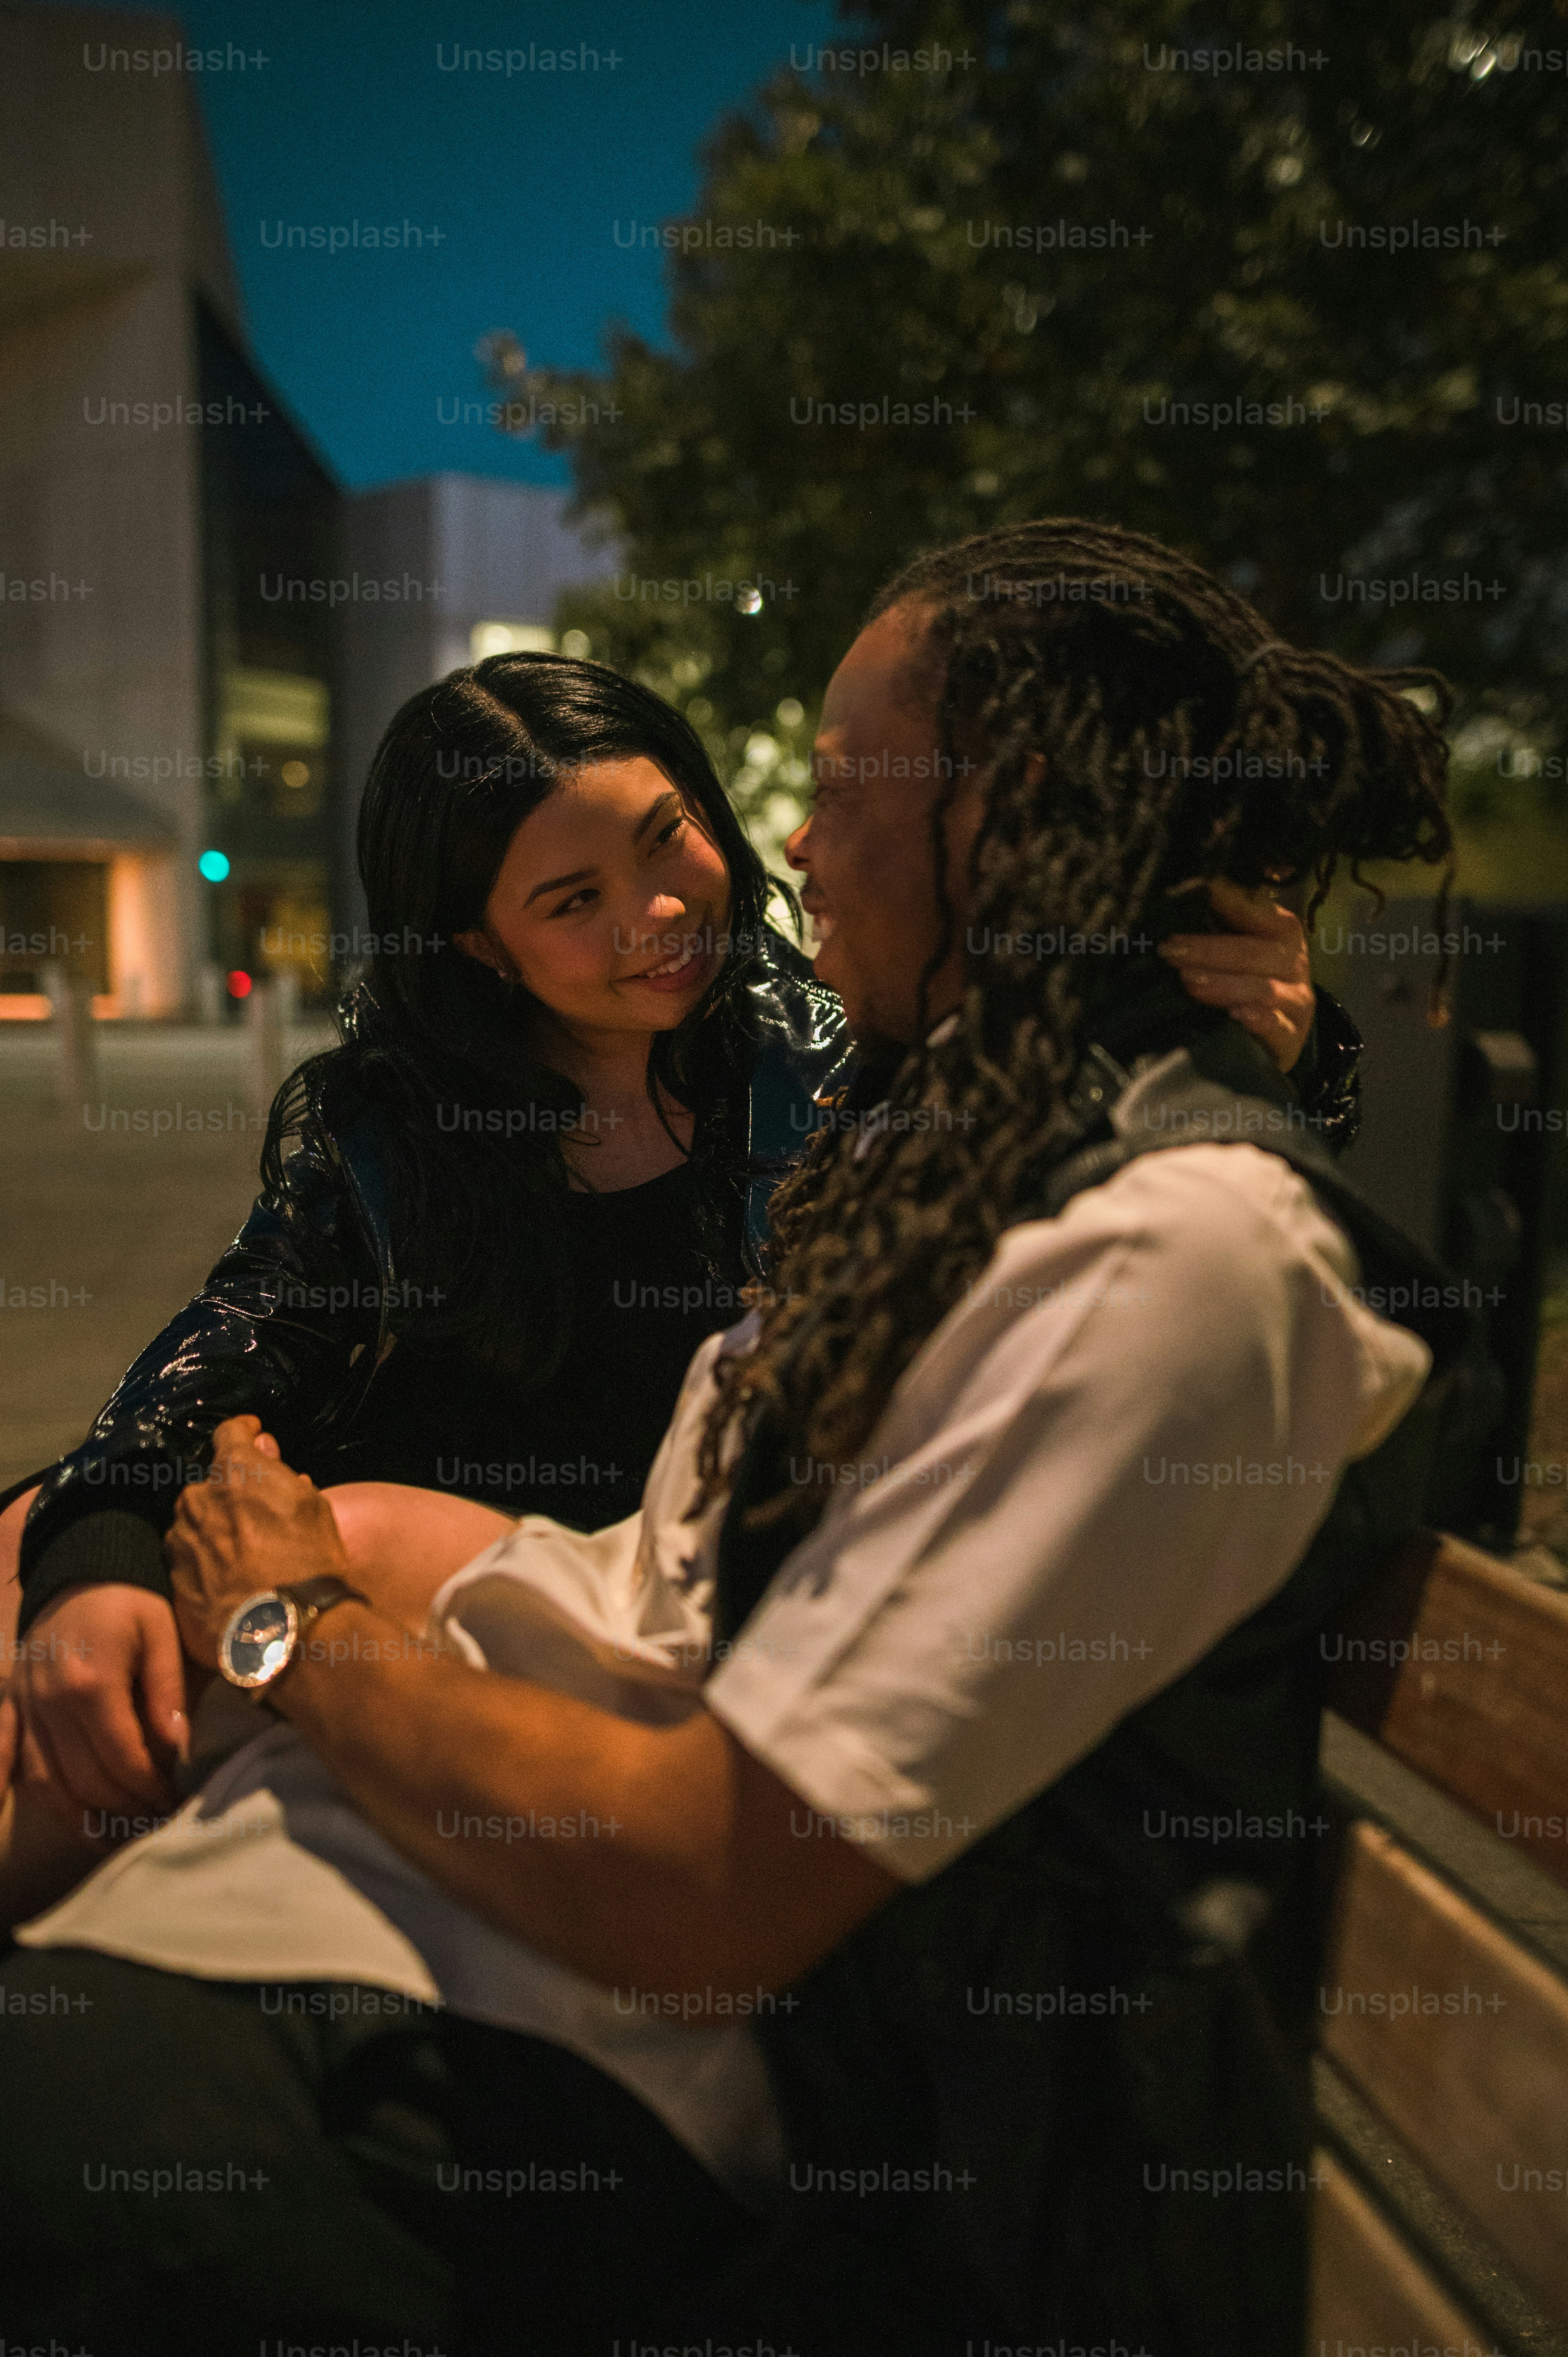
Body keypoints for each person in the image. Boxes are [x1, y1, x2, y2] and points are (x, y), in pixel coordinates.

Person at [0, 520, 1450, 2357]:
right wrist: (202, 1551)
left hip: (496, 2018)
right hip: (409, 1889)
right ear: (479, 942)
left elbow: (704, 1878)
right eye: (572, 896)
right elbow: (263, 1416)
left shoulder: (1078, 1203)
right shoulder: (861, 1137)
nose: (766, 861)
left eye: (827, 790)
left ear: (999, 820)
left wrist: (303, 1624)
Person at [0, 651, 1330, 1902]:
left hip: (610, 1635)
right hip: (399, 1576)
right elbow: (225, 1349)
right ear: (479, 945)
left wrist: (1276, 1056)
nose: (662, 916)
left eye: (666, 838)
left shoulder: (838, 1055)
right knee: (37, 1555)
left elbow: (1135, 1197)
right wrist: (99, 1546)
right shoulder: (397, 1125)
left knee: (83, 1724)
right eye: (572, 903)